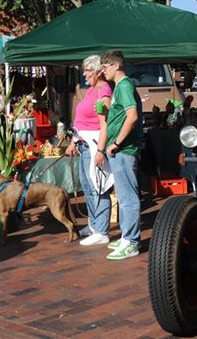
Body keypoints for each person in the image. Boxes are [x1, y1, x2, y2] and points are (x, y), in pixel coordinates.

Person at [65, 55, 113, 246]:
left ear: (99, 70)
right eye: (83, 69)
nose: (84, 73)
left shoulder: (104, 90)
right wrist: (74, 141)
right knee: (87, 187)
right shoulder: (92, 89)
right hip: (83, 144)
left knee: (97, 187)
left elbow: (105, 123)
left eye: (87, 70)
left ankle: (101, 230)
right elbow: (82, 121)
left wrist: (101, 150)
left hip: (94, 145)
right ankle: (94, 224)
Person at [101, 50, 143, 260]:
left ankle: (132, 241)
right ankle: (127, 237)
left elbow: (132, 116)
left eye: (105, 66)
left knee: (128, 198)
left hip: (124, 150)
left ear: (116, 65)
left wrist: (116, 142)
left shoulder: (125, 85)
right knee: (124, 196)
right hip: (120, 150)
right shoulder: (120, 87)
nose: (103, 71)